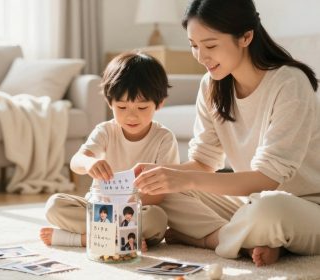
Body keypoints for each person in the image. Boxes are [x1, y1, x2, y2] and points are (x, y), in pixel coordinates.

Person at [133, 0, 320, 267]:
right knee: (167, 194)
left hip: (302, 208)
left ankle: (205, 239)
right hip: (248, 204)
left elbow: (267, 180)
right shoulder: (211, 85)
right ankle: (248, 240)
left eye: (210, 45)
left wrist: (185, 180)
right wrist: (158, 177)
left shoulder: (289, 83)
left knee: (269, 209)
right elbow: (204, 163)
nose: (201, 56)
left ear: (246, 36)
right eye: (194, 46)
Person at [39, 52, 180, 250]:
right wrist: (89, 163)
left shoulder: (164, 138)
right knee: (55, 205)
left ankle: (85, 238)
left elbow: (160, 194)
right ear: (109, 103)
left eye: (141, 108)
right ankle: (120, 238)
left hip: (135, 211)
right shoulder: (105, 131)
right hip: (99, 209)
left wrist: (127, 203)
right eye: (121, 107)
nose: (131, 116)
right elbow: (76, 161)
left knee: (157, 219)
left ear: (159, 104)